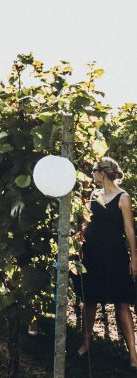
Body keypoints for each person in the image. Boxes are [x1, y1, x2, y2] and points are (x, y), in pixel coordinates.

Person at [77, 157, 137, 367]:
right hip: (92, 253)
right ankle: (86, 343)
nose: (92, 174)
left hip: (115, 255)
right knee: (90, 299)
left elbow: (129, 230)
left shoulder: (123, 197)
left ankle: (133, 354)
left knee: (122, 302)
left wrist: (134, 258)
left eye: (94, 170)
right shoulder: (94, 195)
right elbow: (88, 223)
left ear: (102, 173)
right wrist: (79, 239)